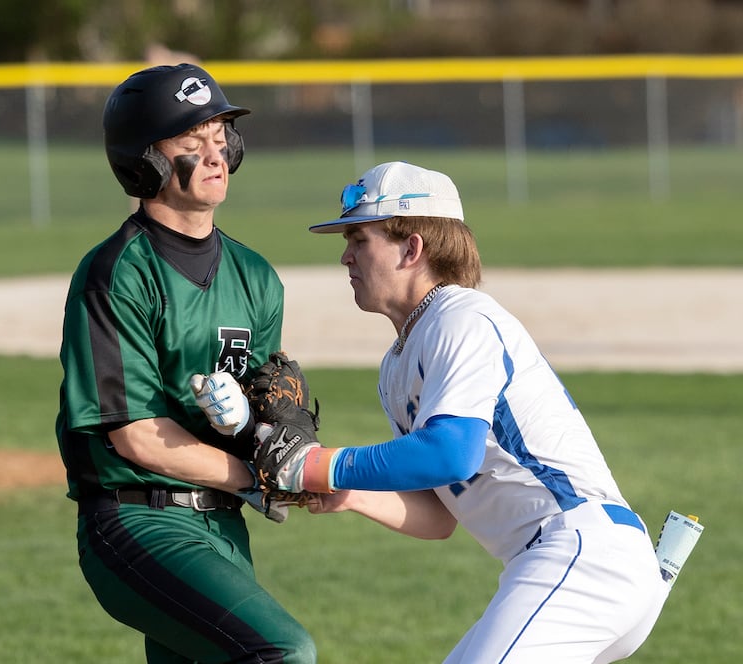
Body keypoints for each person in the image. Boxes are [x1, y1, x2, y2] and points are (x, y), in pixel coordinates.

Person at [266, 161, 670, 662]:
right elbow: (439, 516)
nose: (345, 256)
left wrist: (320, 464)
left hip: (582, 553)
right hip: (556, 566)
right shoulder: (398, 362)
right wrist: (350, 492)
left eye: (360, 239)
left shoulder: (462, 319)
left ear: (412, 248)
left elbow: (450, 454)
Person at [55, 63, 316, 664]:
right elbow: (138, 435)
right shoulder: (117, 274)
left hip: (224, 528)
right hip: (139, 520)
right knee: (281, 651)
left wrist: (268, 435)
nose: (216, 155)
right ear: (145, 161)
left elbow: (267, 409)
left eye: (222, 138)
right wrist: (257, 477)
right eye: (192, 143)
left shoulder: (256, 277)